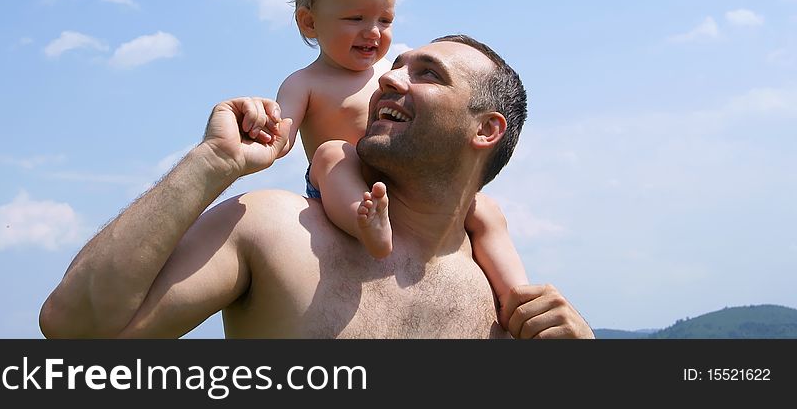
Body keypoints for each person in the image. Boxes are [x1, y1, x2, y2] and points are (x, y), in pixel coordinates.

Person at [39, 34, 594, 339]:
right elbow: (76, 333)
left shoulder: (510, 313)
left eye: (427, 74)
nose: (389, 78)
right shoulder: (274, 231)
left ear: (485, 128)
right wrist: (211, 163)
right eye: (396, 67)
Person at [274, 0, 528, 307]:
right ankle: (366, 226)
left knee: (485, 209)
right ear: (310, 22)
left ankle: (517, 298)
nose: (373, 32)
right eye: (355, 19)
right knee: (333, 153)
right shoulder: (304, 82)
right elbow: (281, 138)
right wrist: (263, 123)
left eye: (385, 20)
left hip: (403, 187)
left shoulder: (391, 72)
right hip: (343, 188)